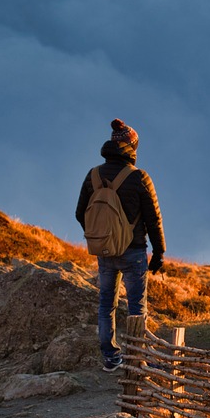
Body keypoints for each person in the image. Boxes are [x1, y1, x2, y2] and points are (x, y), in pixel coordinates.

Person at [76, 118, 166, 372]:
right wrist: (159, 252)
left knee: (106, 304)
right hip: (134, 251)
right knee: (137, 307)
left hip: (104, 252)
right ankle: (137, 357)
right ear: (131, 147)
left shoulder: (92, 175)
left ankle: (110, 357)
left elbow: (80, 212)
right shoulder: (139, 177)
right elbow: (153, 219)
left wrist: (99, 236)